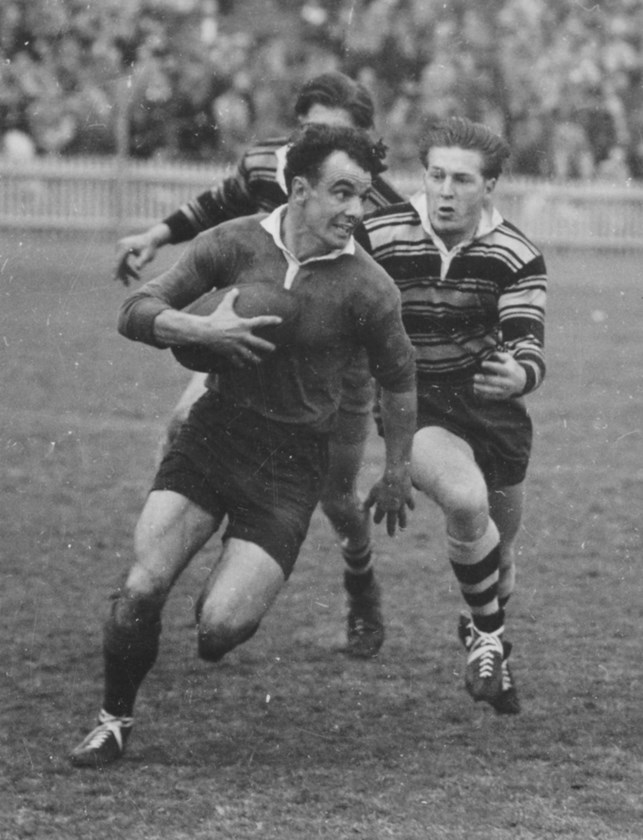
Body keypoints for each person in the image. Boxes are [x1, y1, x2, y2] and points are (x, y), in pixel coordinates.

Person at [69, 123, 417, 768]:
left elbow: (399, 379)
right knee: (143, 587)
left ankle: (222, 602)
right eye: (343, 193)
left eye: (364, 197)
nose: (356, 211)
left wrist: (396, 470)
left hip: (291, 465)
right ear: (303, 188)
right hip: (215, 434)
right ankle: (113, 720)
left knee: (220, 629)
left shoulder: (369, 286)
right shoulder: (232, 243)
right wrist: (199, 327)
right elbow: (136, 308)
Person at [116, 72, 405, 659]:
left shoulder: (377, 208)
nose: (322, 142)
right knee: (182, 425)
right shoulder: (267, 165)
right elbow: (216, 204)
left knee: (337, 495)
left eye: (338, 133)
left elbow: (395, 312)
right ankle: (162, 558)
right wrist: (157, 234)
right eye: (311, 129)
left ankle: (360, 581)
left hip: (331, 372)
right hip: (245, 337)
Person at [356, 116, 547, 714]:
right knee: (466, 502)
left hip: (494, 411)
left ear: (489, 186)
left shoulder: (516, 252)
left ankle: (481, 630)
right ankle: (490, 640)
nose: (445, 191)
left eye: (462, 180)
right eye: (436, 175)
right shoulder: (378, 235)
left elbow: (528, 341)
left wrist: (520, 372)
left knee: (500, 558)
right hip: (417, 404)